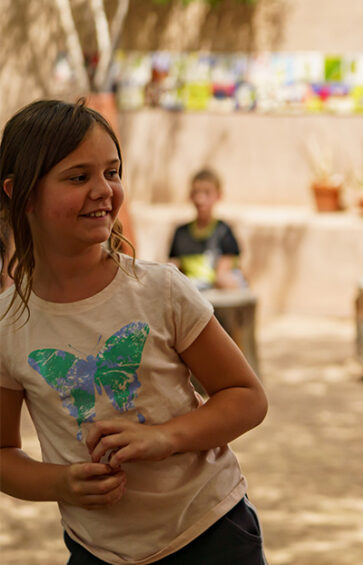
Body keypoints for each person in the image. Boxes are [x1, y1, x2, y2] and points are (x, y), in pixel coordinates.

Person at [0, 99, 269, 564]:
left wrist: (166, 437)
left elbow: (246, 397)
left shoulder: (160, 290)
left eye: (113, 172)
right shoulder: (8, 324)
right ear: (21, 194)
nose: (104, 190)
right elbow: (3, 453)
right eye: (78, 177)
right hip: (96, 551)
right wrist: (59, 483)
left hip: (211, 532)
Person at [168, 168, 246, 291]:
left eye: (207, 193)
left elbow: (223, 272)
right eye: (196, 193)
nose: (200, 199)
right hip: (192, 291)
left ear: (218, 196)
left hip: (217, 292)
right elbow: (173, 267)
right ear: (190, 196)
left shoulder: (224, 232)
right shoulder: (181, 233)